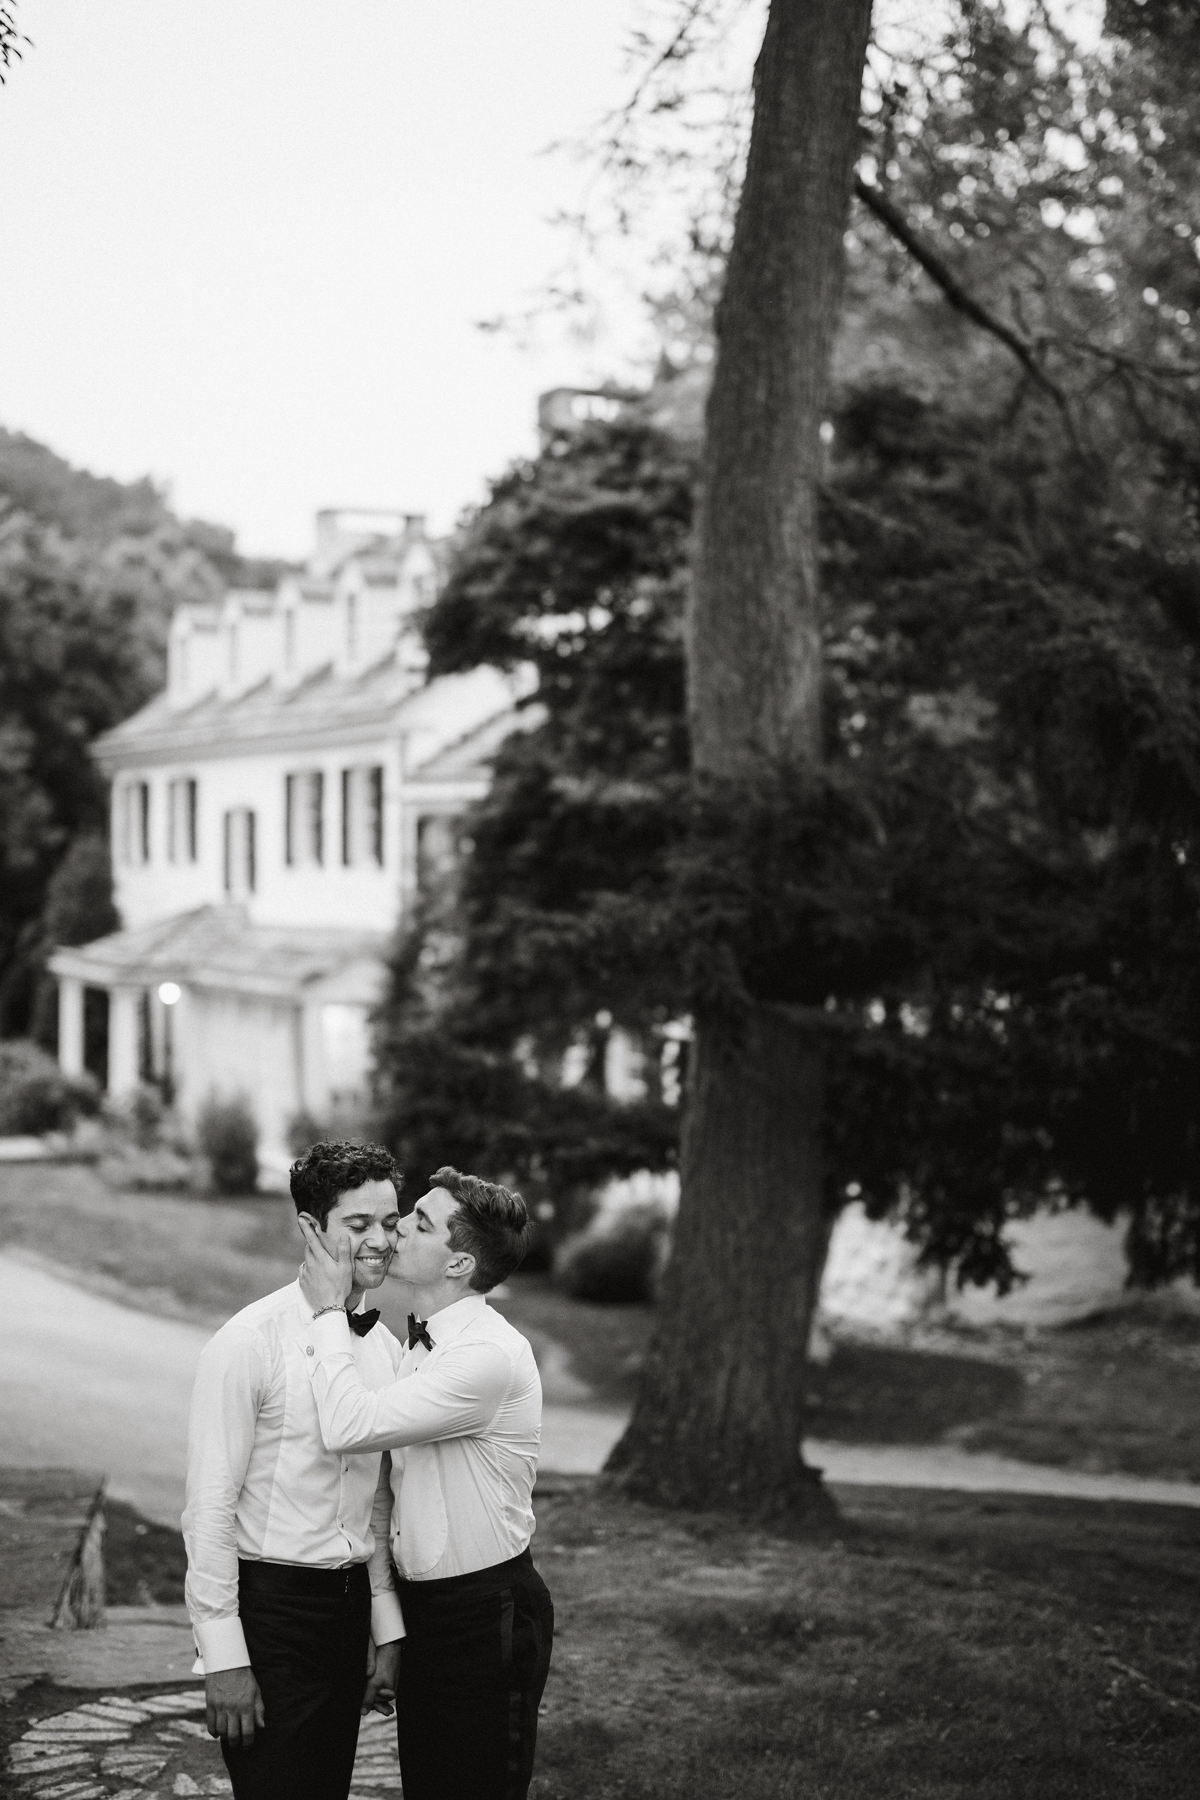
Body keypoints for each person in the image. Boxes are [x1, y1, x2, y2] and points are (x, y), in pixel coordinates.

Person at [299, 1164, 553, 1800]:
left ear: (459, 1263)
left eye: (418, 1223)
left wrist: (331, 1308)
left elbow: (348, 1424)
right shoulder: (418, 1347)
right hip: (429, 1611)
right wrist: (389, 1623)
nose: (395, 1230)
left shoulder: (485, 1357)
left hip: (486, 1611)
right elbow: (386, 1499)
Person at [182, 1140, 407, 1800]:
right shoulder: (247, 1344)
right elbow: (209, 1508)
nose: (381, 1242)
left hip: (347, 1614)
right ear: (311, 1228)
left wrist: (385, 1628)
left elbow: (375, 1501)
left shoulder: (384, 1348)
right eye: (358, 1224)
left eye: (391, 1223)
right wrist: (223, 1657)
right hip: (271, 1615)